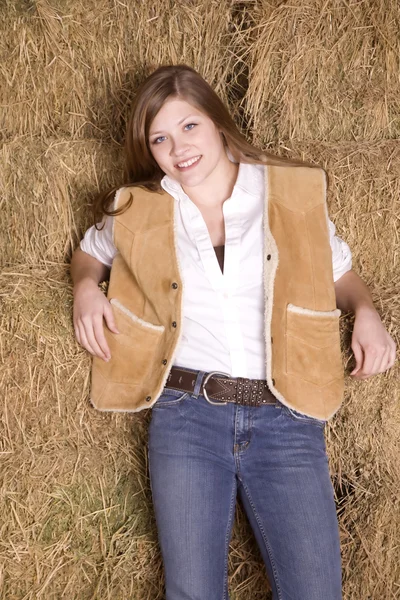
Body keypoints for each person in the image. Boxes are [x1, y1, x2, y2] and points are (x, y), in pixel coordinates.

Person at [70, 64, 396, 600]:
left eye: (189, 127)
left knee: (316, 592)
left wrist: (366, 311)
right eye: (161, 138)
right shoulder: (140, 208)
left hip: (287, 417)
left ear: (218, 122)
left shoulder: (286, 192)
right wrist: (86, 288)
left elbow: (337, 270)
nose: (178, 148)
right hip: (186, 418)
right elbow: (91, 251)